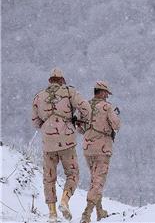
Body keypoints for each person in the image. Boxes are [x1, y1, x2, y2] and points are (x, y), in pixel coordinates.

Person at [32, 68, 91, 222]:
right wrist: (80, 124)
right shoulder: (69, 92)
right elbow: (86, 107)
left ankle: (52, 213)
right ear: (62, 80)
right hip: (67, 141)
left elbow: (35, 121)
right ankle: (64, 201)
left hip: (48, 144)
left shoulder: (39, 96)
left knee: (49, 177)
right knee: (73, 174)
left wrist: (47, 126)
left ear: (50, 80)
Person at [77, 81, 121, 223]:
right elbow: (116, 125)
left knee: (94, 179)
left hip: (88, 149)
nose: (107, 96)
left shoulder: (85, 106)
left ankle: (100, 211)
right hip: (102, 148)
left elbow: (80, 129)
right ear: (102, 92)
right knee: (98, 181)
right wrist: (115, 115)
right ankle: (87, 214)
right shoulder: (107, 107)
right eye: (106, 93)